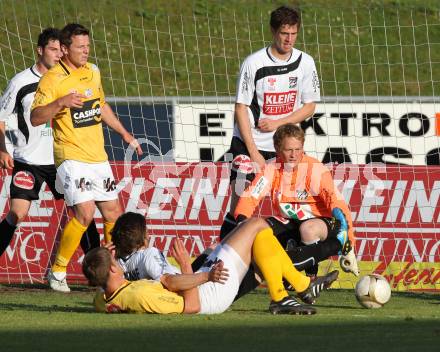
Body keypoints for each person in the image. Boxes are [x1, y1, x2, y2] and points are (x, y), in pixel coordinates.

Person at [30, 23, 142, 293]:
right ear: (65, 49)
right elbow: (35, 118)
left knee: (113, 211)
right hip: (71, 155)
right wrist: (60, 103)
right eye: (81, 47)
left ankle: (110, 269)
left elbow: (100, 105)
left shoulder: (93, 71)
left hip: (97, 157)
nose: (86, 51)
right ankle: (57, 271)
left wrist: (124, 134)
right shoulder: (53, 79)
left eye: (88, 46)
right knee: (85, 211)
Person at [83, 214, 339, 315]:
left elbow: (107, 280)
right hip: (205, 289)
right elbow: (173, 284)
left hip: (200, 280)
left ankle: (301, 286)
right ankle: (290, 291)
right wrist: (187, 265)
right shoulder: (147, 258)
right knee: (258, 225)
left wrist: (105, 260)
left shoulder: (108, 293)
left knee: (257, 240)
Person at [220, 5, 320, 241]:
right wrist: (253, 152)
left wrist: (279, 122)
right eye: (284, 33)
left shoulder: (305, 62)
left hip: (283, 145)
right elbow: (240, 108)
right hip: (248, 143)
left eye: (294, 33)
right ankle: (223, 256)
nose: (289, 39)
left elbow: (310, 106)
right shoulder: (253, 63)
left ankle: (295, 260)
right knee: (241, 199)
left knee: (292, 203)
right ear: (273, 32)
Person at [0, 27, 100, 259]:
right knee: (17, 213)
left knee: (83, 211)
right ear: (40, 50)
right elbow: (1, 119)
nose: (57, 55)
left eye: (60, 50)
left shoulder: (68, 79)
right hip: (28, 161)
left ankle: (99, 274)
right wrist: (3, 149)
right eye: (52, 50)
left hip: (61, 160)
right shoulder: (20, 82)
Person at [234, 123, 359, 277]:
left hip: (326, 224)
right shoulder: (271, 169)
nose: (294, 155)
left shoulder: (314, 169)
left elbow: (336, 203)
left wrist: (350, 243)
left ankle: (311, 277)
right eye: (288, 150)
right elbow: (251, 196)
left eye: (298, 149)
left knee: (308, 229)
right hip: (293, 222)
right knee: (259, 231)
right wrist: (241, 224)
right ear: (278, 149)